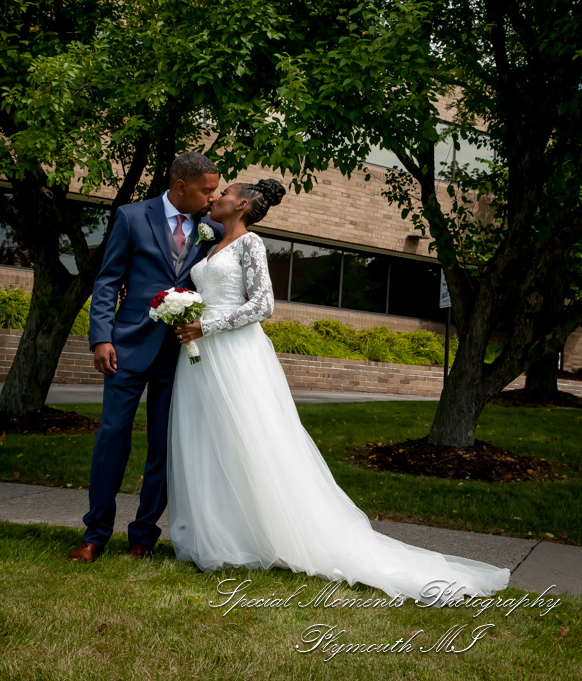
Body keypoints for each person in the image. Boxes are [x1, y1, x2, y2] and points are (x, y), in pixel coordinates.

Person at [168, 179, 512, 606]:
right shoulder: (212, 245)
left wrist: (207, 324)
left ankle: (267, 533)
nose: (216, 198)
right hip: (201, 354)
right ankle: (217, 532)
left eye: (224, 193)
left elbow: (263, 305)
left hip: (234, 352)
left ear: (241, 206)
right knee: (206, 440)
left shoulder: (251, 243)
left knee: (249, 441)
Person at [67, 152, 224, 563]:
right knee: (112, 437)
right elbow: (108, 281)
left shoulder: (214, 229)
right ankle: (95, 533)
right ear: (179, 187)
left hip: (180, 354)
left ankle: (144, 535)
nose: (214, 196)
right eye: (207, 190)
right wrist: (101, 337)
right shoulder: (132, 217)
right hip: (127, 347)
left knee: (164, 446)